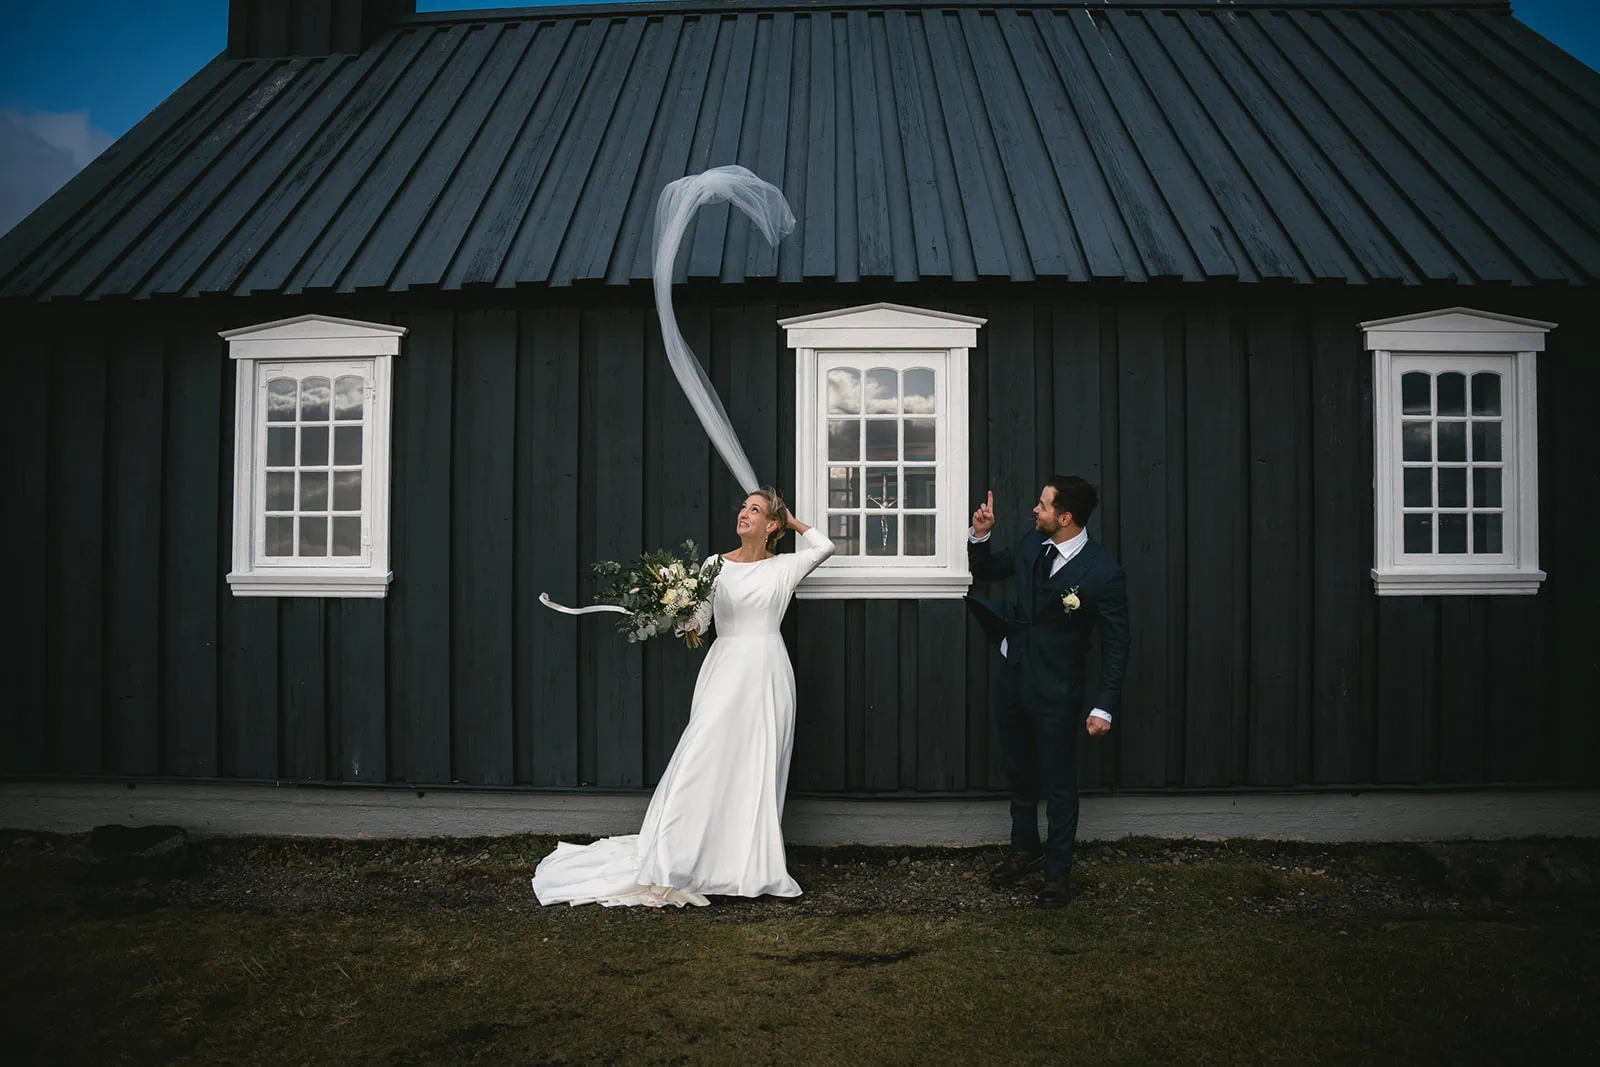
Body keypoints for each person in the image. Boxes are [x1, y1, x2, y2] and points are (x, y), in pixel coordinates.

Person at [532, 488, 834, 907]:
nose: (743, 514)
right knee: (702, 755)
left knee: (757, 763)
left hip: (768, 672)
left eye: (755, 510)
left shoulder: (785, 567)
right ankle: (679, 856)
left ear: (772, 526)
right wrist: (676, 608)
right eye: (742, 507)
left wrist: (794, 520)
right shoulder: (715, 565)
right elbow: (698, 624)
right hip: (725, 666)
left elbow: (826, 546)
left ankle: (747, 866)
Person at [966, 476, 1130, 908]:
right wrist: (980, 535)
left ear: (1066, 516)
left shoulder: (1102, 572)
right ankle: (1025, 849)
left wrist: (1105, 706)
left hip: (1059, 689)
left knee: (1059, 782)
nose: (1034, 511)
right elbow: (985, 570)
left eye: (1042, 505)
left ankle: (1057, 873)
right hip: (1014, 679)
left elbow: (1117, 644)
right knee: (1019, 770)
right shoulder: (1030, 545)